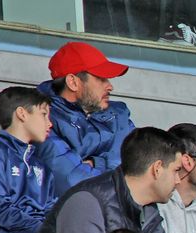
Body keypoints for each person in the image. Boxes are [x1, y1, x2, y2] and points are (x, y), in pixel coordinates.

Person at [23, 125, 181, 233]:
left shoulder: (150, 213)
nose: (178, 180)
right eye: (176, 170)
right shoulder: (87, 201)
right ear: (157, 169)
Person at [36, 42, 134, 193]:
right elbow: (73, 182)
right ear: (73, 82)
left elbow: (143, 165)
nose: (110, 86)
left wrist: (98, 163)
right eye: (101, 79)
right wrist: (120, 170)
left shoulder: (118, 114)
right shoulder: (43, 118)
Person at [0, 86, 55, 233]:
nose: (50, 123)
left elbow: (51, 207)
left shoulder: (41, 166)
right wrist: (42, 228)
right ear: (22, 114)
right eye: (44, 114)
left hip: (36, 232)